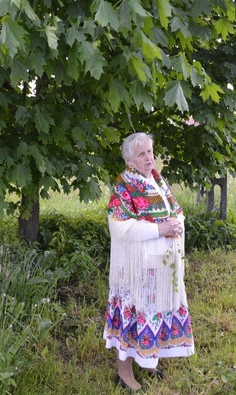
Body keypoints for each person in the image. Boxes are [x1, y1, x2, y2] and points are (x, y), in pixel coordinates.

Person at [103, 132, 194, 391]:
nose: (149, 157)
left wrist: (177, 225)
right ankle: (124, 373)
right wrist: (160, 230)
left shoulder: (156, 179)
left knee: (154, 311)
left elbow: (174, 210)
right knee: (134, 314)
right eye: (142, 154)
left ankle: (149, 359)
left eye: (150, 152)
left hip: (160, 262)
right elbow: (119, 227)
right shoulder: (124, 184)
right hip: (136, 267)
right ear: (129, 160)